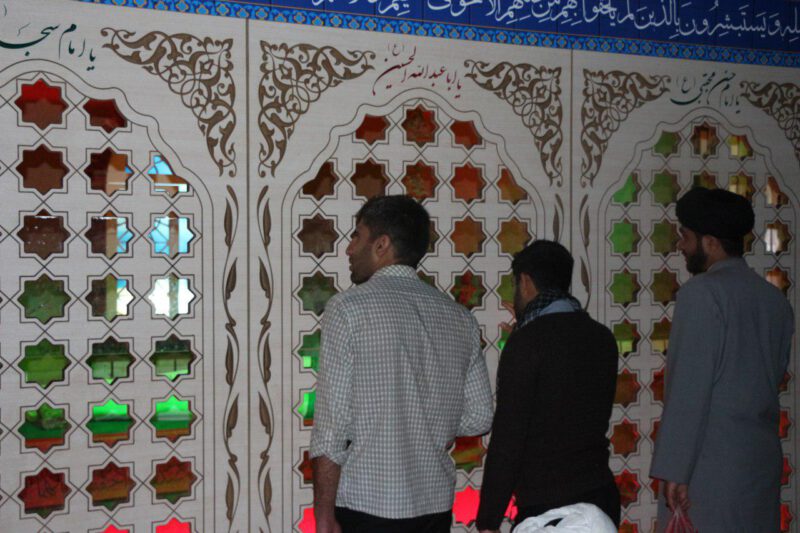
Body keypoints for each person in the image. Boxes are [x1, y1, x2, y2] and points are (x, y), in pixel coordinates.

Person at [310, 195, 494, 533]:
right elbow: (480, 416)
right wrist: (427, 420)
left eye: (357, 236)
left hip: (368, 506)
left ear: (381, 245)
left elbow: (331, 429)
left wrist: (323, 515)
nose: (349, 248)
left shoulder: (348, 309)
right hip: (433, 508)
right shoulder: (460, 318)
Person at [651, 187, 793, 532]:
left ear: (710, 242)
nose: (681, 245)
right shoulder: (774, 300)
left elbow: (689, 391)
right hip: (759, 464)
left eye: (686, 237)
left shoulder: (701, 294)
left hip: (711, 469)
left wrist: (675, 471)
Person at [476, 240, 620, 533]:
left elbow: (508, 438)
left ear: (525, 282)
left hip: (550, 508)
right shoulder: (602, 337)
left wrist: (488, 519)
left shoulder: (527, 343)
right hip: (601, 499)